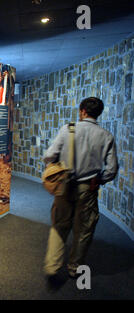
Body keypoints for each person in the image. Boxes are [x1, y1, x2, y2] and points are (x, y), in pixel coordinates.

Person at [43, 97, 118, 284]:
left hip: (64, 186)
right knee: (84, 229)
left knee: (60, 225)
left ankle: (52, 266)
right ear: (98, 113)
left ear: (82, 110)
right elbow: (112, 169)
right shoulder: (106, 136)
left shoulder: (68, 129)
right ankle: (74, 268)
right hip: (89, 188)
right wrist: (100, 179)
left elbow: (49, 155)